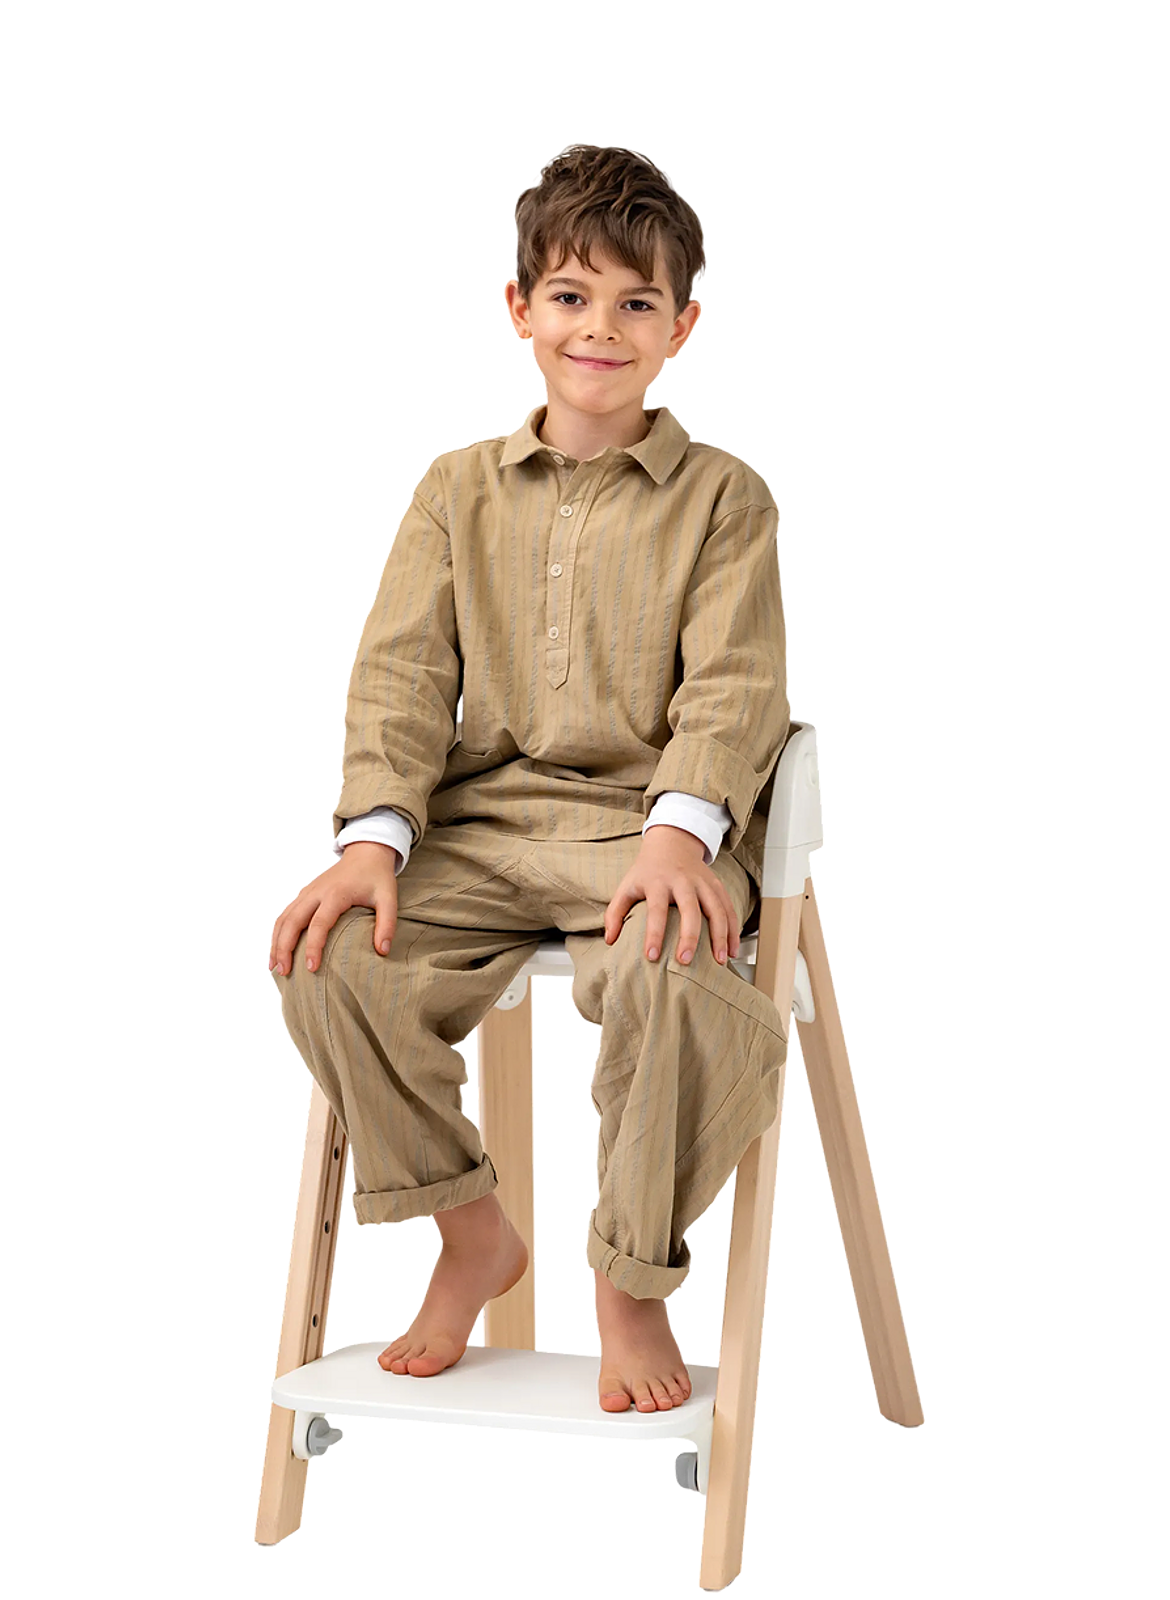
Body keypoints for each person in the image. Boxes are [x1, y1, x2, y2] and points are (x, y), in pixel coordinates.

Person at [267, 143, 791, 1416]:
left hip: (644, 834)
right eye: (569, 296)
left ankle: (631, 1276)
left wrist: (682, 833)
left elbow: (736, 682)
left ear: (682, 329)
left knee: (668, 978)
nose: (598, 328)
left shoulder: (725, 497)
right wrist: (375, 837)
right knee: (329, 958)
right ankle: (466, 1229)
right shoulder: (455, 490)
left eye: (634, 303)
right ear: (520, 311)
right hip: (479, 833)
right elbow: (397, 678)